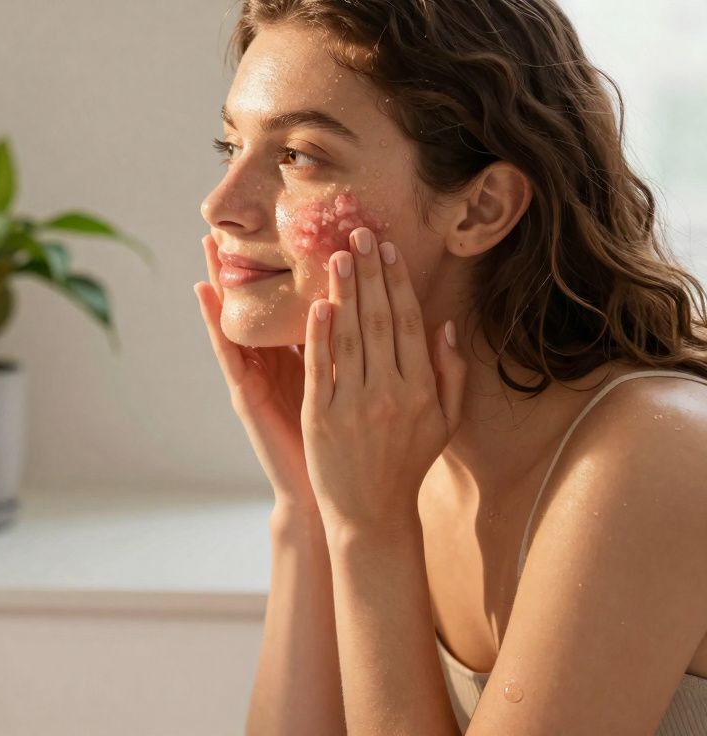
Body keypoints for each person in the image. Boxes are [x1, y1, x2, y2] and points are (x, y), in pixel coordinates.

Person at [194, 1, 707, 734]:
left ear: (481, 208)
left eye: (299, 155)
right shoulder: (402, 459)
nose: (222, 204)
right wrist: (308, 505)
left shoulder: (655, 457)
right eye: (230, 145)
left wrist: (371, 533)